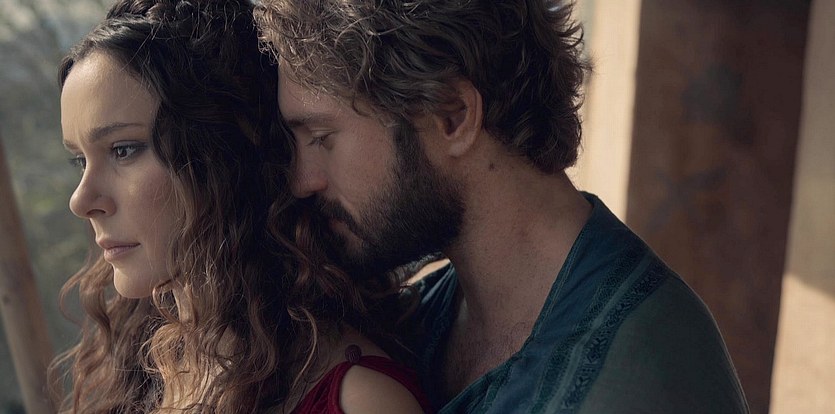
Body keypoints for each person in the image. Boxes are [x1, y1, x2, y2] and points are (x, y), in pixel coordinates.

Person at [255, 0, 750, 413]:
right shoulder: (421, 319)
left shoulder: (637, 377)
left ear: (453, 116)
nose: (302, 182)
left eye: (321, 137)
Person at [49, 0, 431, 412]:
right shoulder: (152, 370)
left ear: (225, 155)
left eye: (123, 149)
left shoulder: (357, 401)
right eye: (80, 160)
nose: (81, 200)